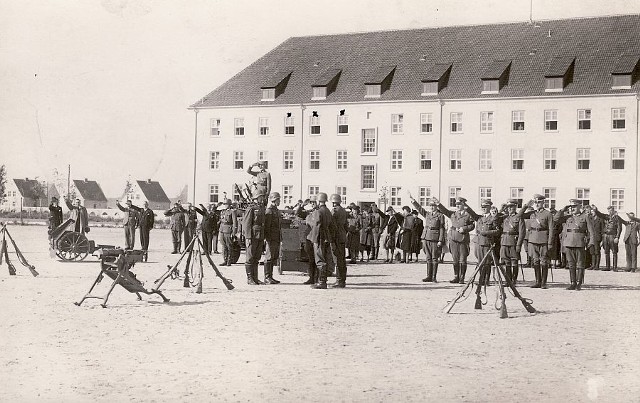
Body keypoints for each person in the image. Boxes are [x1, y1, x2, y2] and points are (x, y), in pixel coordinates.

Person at [555, 199, 594, 290]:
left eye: (574, 206)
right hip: (568, 242)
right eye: (571, 207)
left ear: (580, 206)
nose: (572, 208)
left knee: (580, 264)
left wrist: (591, 242)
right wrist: (563, 209)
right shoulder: (568, 217)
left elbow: (591, 231)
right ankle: (573, 283)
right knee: (571, 264)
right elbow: (555, 219)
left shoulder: (585, 217)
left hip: (580, 243)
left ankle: (579, 283)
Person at [435, 197, 475, 283]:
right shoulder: (453, 214)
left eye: (459, 204)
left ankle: (462, 277)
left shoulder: (468, 215)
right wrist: (438, 204)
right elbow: (445, 211)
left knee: (462, 259)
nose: (457, 206)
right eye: (456, 204)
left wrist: (464, 229)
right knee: (455, 259)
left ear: (463, 204)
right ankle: (456, 276)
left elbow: (472, 225)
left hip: (463, 240)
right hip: (453, 239)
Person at [518, 194, 554, 289]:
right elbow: (519, 215)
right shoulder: (532, 213)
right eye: (536, 202)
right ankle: (537, 281)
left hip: (543, 240)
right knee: (535, 261)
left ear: (543, 203)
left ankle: (543, 282)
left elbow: (551, 229)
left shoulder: (548, 214)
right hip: (533, 239)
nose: (537, 204)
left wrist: (550, 243)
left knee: (544, 261)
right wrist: (526, 206)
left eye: (539, 202)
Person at [409, 195, 445, 282]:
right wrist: (413, 201)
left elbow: (442, 228)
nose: (432, 207)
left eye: (433, 206)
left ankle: (434, 277)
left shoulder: (440, 216)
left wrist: (440, 240)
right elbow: (420, 209)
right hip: (426, 237)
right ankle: (429, 276)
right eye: (431, 206)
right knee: (428, 257)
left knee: (434, 257)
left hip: (435, 238)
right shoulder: (428, 214)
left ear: (436, 206)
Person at [466, 199, 502, 286]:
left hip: (487, 243)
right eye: (482, 207)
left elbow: (497, 231)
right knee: (480, 262)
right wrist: (465, 206)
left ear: (490, 207)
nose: (484, 209)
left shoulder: (494, 218)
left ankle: (486, 280)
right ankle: (481, 279)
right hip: (478, 242)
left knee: (486, 262)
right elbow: (472, 213)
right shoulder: (480, 218)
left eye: (486, 207)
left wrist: (485, 233)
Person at [307, 192, 335, 289]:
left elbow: (315, 225)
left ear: (319, 201)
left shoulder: (318, 212)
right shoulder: (327, 210)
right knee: (325, 258)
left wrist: (314, 238)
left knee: (319, 258)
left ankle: (322, 282)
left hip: (320, 237)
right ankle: (323, 280)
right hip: (327, 237)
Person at [243, 190, 267, 285]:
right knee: (250, 257)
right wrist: (248, 237)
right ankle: (250, 278)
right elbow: (247, 223)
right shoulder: (251, 208)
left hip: (260, 235)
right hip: (252, 235)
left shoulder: (261, 208)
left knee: (257, 257)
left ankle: (255, 278)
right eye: (261, 197)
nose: (262, 198)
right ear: (256, 198)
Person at [499, 199, 525, 284]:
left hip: (513, 241)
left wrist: (519, 245)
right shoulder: (504, 217)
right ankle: (508, 280)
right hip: (504, 241)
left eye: (511, 207)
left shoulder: (519, 218)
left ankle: (514, 280)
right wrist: (501, 209)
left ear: (515, 207)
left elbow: (522, 232)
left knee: (514, 261)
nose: (510, 209)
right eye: (508, 207)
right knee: (506, 261)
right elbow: (495, 219)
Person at [594, 206, 623, 271]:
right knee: (606, 251)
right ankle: (607, 266)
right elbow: (600, 214)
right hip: (605, 236)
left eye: (610, 210)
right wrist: (595, 210)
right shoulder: (606, 217)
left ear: (613, 211)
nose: (609, 212)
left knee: (614, 251)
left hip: (612, 236)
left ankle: (615, 267)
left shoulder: (617, 218)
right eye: (608, 211)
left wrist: (617, 237)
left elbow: (619, 228)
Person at [263, 192, 282, 284]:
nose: (279, 201)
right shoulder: (269, 211)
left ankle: (270, 276)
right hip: (271, 237)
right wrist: (268, 238)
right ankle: (267, 277)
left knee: (273, 257)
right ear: (274, 200)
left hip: (276, 237)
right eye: (278, 199)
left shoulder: (276, 210)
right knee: (269, 257)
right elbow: (267, 226)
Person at [330, 193, 348, 288]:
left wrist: (331, 239)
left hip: (337, 236)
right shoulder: (343, 211)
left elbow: (333, 226)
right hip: (342, 235)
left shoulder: (334, 211)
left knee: (337, 259)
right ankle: (342, 280)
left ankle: (339, 280)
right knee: (342, 259)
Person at [218, 199, 239, 266]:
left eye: (226, 204)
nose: (225, 205)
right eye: (224, 204)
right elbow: (221, 220)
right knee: (223, 246)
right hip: (222, 230)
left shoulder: (232, 211)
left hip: (228, 230)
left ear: (229, 205)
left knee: (229, 246)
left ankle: (229, 260)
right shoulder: (223, 211)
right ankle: (225, 259)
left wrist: (233, 232)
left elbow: (235, 223)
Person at [587, 205, 605, 270]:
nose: (592, 213)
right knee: (592, 251)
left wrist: (602, 240)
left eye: (593, 211)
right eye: (591, 211)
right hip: (591, 237)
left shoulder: (600, 219)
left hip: (597, 237)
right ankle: (593, 265)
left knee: (597, 251)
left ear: (596, 212)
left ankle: (597, 265)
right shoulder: (590, 219)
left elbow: (603, 230)